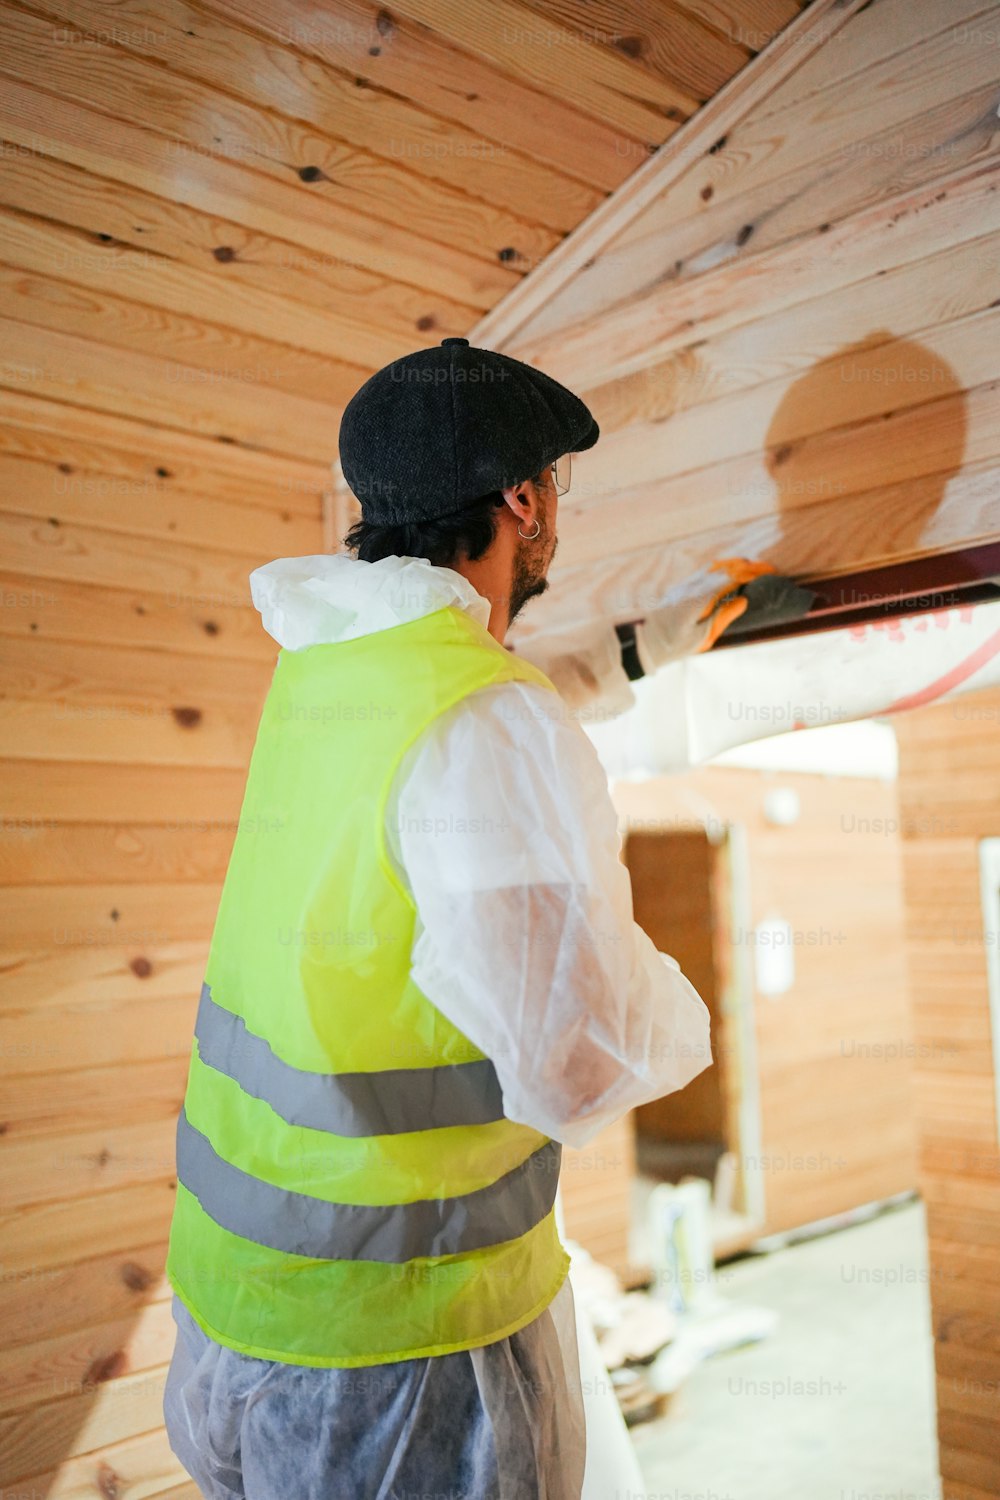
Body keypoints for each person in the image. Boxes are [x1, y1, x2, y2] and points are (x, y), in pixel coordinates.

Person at [162, 337, 713, 1499]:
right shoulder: (489, 721)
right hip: (405, 1352)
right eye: (556, 484)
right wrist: (683, 1012)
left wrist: (651, 645)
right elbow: (576, 1060)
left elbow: (463, 722)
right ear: (524, 497)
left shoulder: (327, 667)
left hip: (235, 1317)